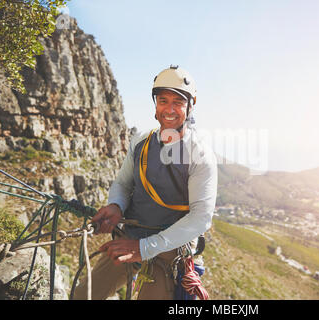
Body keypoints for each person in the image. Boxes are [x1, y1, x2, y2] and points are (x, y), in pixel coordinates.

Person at [74, 65, 218, 300]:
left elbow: (201, 217)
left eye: (178, 102)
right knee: (82, 296)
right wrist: (116, 206)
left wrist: (144, 248)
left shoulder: (200, 155)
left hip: (170, 250)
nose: (169, 109)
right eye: (163, 101)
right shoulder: (141, 142)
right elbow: (123, 183)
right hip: (130, 237)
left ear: (190, 106)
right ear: (155, 104)